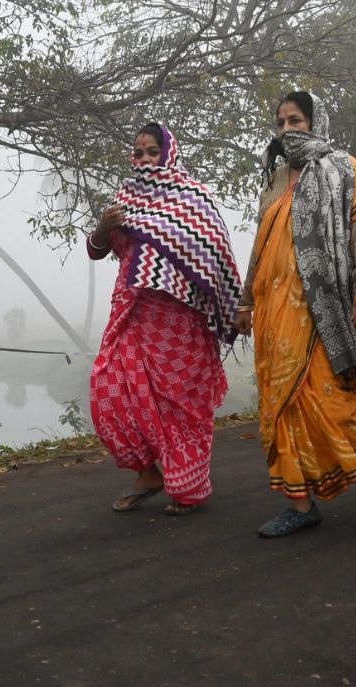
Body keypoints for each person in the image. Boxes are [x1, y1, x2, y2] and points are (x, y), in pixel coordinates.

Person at [235, 91, 356, 538]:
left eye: (296, 120)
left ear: (316, 123)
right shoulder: (274, 179)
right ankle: (299, 503)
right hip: (274, 309)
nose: (288, 129)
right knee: (280, 402)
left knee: (325, 400)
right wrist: (244, 301)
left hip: (323, 307)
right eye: (281, 122)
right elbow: (260, 245)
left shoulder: (344, 170)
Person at [88, 122, 242, 516]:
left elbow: (216, 257)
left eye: (151, 152)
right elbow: (96, 251)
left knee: (180, 407)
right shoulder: (124, 199)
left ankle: (188, 488)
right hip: (131, 315)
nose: (143, 160)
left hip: (179, 324)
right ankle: (147, 473)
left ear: (168, 153)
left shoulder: (192, 198)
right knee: (111, 391)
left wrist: (233, 307)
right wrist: (106, 225)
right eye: (138, 152)